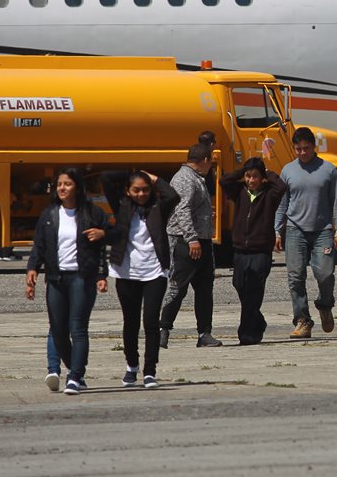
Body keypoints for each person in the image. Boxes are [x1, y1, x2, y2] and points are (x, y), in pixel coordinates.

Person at [25, 168, 114, 395]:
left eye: (67, 184)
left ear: (77, 187)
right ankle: (71, 370)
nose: (62, 188)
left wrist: (102, 275)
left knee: (78, 328)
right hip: (56, 278)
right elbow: (39, 245)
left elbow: (105, 244)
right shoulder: (49, 215)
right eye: (59, 185)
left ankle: (75, 376)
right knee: (57, 329)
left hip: (81, 278)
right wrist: (32, 269)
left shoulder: (92, 213)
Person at [103, 170, 179, 388]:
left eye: (145, 190)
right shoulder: (122, 207)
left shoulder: (158, 208)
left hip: (155, 272)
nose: (141, 194)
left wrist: (154, 178)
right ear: (128, 191)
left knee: (151, 322)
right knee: (131, 322)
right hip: (126, 273)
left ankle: (150, 371)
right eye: (136, 190)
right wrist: (134, 172)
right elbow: (107, 179)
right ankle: (131, 367)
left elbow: (173, 196)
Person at [275, 127, 337, 339]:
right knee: (295, 277)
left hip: (322, 230)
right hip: (295, 229)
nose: (302, 153)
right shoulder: (288, 170)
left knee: (324, 273)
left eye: (306, 148)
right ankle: (302, 320)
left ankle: (325, 305)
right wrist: (277, 230)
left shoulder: (328, 170)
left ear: (313, 147)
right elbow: (283, 203)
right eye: (298, 149)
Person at [159, 143, 221, 348]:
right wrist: (191, 238)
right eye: (210, 161)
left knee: (204, 289)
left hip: (201, 240)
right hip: (186, 242)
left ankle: (205, 333)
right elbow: (182, 210)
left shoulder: (197, 178)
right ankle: (163, 329)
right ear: (204, 160)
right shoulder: (185, 179)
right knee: (178, 286)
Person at [221, 157, 287, 345]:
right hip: (241, 250)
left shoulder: (269, 195)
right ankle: (258, 320)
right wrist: (241, 171)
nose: (251, 180)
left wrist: (267, 173)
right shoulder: (239, 192)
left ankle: (248, 332)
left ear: (262, 178)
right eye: (248, 177)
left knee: (253, 291)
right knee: (239, 284)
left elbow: (281, 187)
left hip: (260, 251)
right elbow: (224, 181)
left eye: (255, 177)